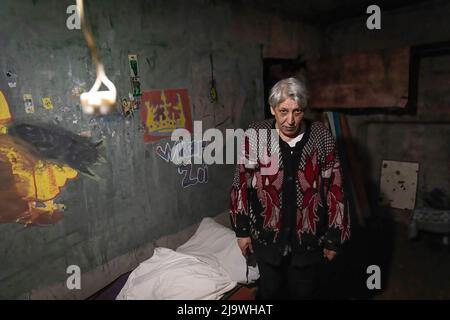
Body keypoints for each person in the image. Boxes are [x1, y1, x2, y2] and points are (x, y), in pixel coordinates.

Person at [229, 77, 350, 299]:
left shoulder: (320, 135)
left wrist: (334, 237)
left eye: (297, 111)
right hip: (266, 234)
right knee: (270, 291)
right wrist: (242, 230)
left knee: (304, 292)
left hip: (309, 237)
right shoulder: (256, 134)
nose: (290, 120)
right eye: (283, 111)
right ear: (272, 109)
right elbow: (242, 183)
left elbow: (336, 186)